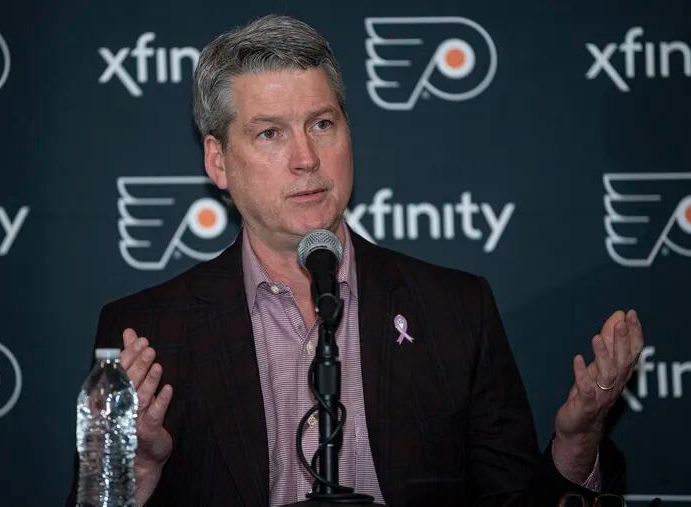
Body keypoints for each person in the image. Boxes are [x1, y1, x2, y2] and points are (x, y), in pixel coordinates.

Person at [66, 14, 644, 507]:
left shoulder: (455, 310)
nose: (306, 158)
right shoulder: (146, 332)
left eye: (322, 124)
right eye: (270, 134)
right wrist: (135, 470)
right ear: (218, 161)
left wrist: (578, 443)